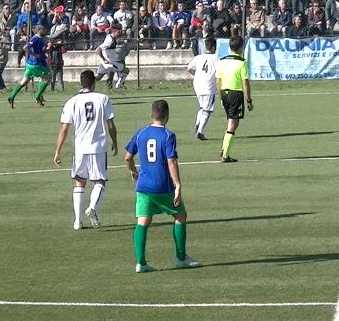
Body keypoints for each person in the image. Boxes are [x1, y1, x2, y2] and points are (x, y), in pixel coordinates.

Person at [124, 100, 200, 273]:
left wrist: (133, 171)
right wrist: (178, 185)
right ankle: (181, 258)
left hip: (143, 187)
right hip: (163, 186)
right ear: (167, 116)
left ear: (152, 115)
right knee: (180, 216)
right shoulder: (168, 135)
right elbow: (171, 161)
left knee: (143, 221)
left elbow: (127, 157)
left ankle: (140, 263)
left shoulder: (141, 132)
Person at [54, 70, 118, 230]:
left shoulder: (72, 101)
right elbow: (110, 124)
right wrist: (114, 141)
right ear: (94, 83)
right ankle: (92, 208)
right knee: (100, 181)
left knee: (79, 181)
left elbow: (64, 129)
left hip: (80, 148)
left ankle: (77, 221)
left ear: (81, 83)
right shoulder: (103, 98)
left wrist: (58, 151)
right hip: (98, 147)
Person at [216, 36, 253, 163]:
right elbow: (245, 82)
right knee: (233, 124)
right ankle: (225, 154)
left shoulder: (222, 61)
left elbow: (218, 81)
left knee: (231, 122)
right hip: (235, 94)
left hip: (224, 93)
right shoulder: (242, 62)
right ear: (241, 48)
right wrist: (249, 100)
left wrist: (221, 97)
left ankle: (224, 148)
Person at [8, 25, 51, 108]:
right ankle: (37, 96)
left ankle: (11, 96)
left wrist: (48, 48)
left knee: (24, 81)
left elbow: (42, 51)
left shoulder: (41, 39)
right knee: (47, 78)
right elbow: (26, 48)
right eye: (43, 29)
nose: (44, 31)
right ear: (39, 30)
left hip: (31, 64)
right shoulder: (35, 39)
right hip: (36, 64)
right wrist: (34, 55)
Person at [186, 38, 217, 141]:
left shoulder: (198, 57)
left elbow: (189, 68)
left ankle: (197, 125)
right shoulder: (216, 58)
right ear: (214, 47)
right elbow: (219, 73)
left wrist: (197, 75)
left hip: (198, 85)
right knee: (207, 110)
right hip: (208, 86)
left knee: (202, 107)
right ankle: (200, 131)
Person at [95, 23, 133, 90]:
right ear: (114, 31)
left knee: (98, 77)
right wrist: (104, 59)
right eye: (118, 32)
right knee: (126, 71)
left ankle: (85, 84)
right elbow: (98, 49)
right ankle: (118, 86)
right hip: (110, 63)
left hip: (108, 63)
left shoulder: (110, 36)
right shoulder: (110, 41)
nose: (119, 33)